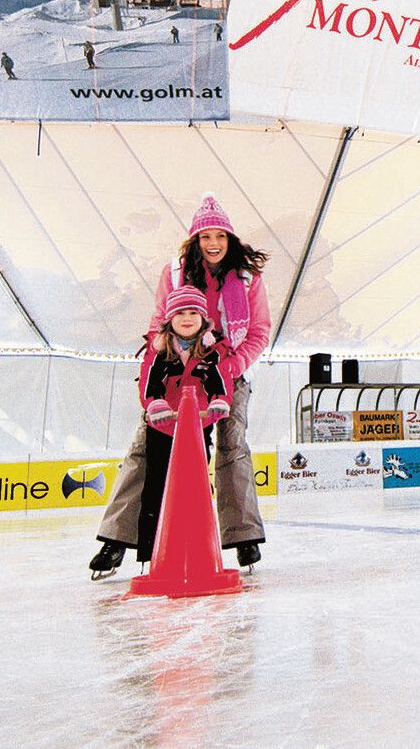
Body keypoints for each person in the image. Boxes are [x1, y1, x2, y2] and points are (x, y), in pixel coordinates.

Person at [89, 193, 270, 578]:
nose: (213, 244)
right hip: (176, 369)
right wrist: (167, 357)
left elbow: (259, 331)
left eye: (220, 236)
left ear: (231, 239)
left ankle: (243, 537)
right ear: (195, 241)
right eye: (206, 237)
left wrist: (232, 364)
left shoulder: (248, 278)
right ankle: (117, 539)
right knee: (145, 445)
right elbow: (159, 321)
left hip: (230, 371)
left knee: (232, 445)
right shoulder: (174, 273)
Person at [136, 286, 233, 564]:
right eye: (180, 313)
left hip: (196, 428)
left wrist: (218, 402)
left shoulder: (212, 350)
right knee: (155, 486)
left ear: (203, 318)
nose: (187, 318)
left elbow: (220, 380)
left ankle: (199, 549)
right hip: (163, 429)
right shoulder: (159, 349)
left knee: (198, 485)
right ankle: (150, 553)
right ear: (169, 318)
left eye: (193, 312)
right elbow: (149, 381)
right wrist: (155, 403)